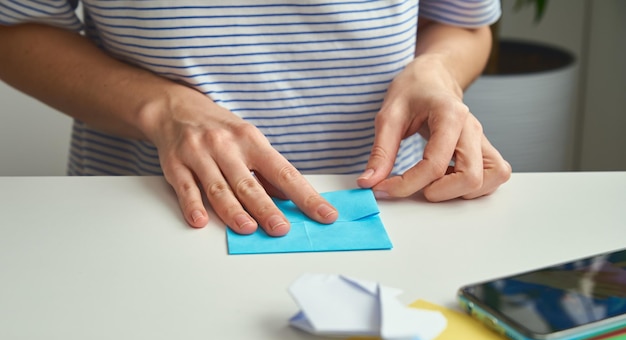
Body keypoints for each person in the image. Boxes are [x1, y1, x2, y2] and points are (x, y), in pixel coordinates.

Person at [0, 0, 511, 237]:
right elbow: (14, 27)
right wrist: (160, 107)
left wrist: (437, 70)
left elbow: (463, 23)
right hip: (151, 218)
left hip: (400, 210)